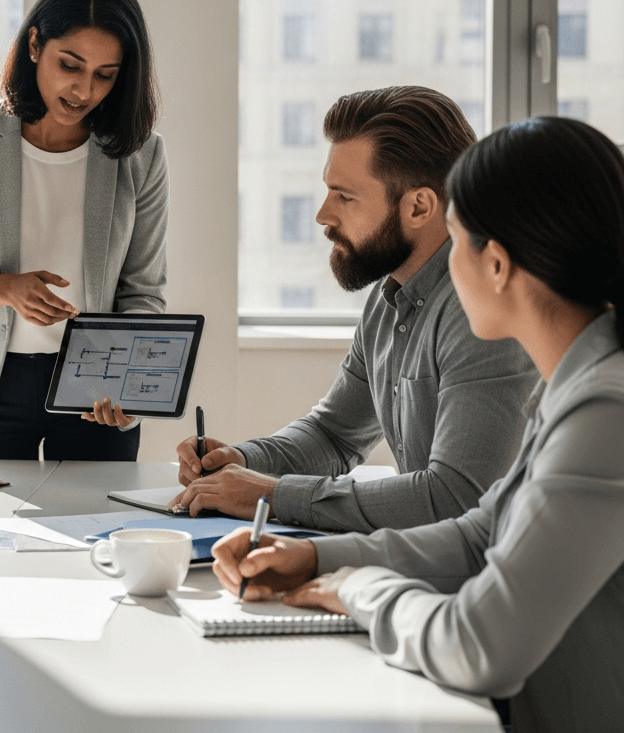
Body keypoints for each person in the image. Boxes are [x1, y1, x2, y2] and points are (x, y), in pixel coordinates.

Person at [212, 116, 624, 732]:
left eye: (457, 241)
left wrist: (357, 589)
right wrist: (313, 559)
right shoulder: (575, 384)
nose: (446, 269)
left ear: (498, 266)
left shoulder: (604, 410)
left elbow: (480, 646)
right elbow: (480, 535)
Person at [174, 86, 537, 531]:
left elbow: (457, 498)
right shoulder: (389, 296)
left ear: (419, 206)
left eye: (345, 197)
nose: (322, 215)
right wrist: (243, 460)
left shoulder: (482, 312)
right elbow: (334, 434)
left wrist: (269, 494)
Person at [0, 0, 167, 460]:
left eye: (105, 75)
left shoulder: (142, 156)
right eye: (70, 65)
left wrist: (131, 385)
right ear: (34, 45)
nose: (84, 90)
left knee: (96, 533)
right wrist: (6, 289)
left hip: (97, 390)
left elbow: (143, 292)